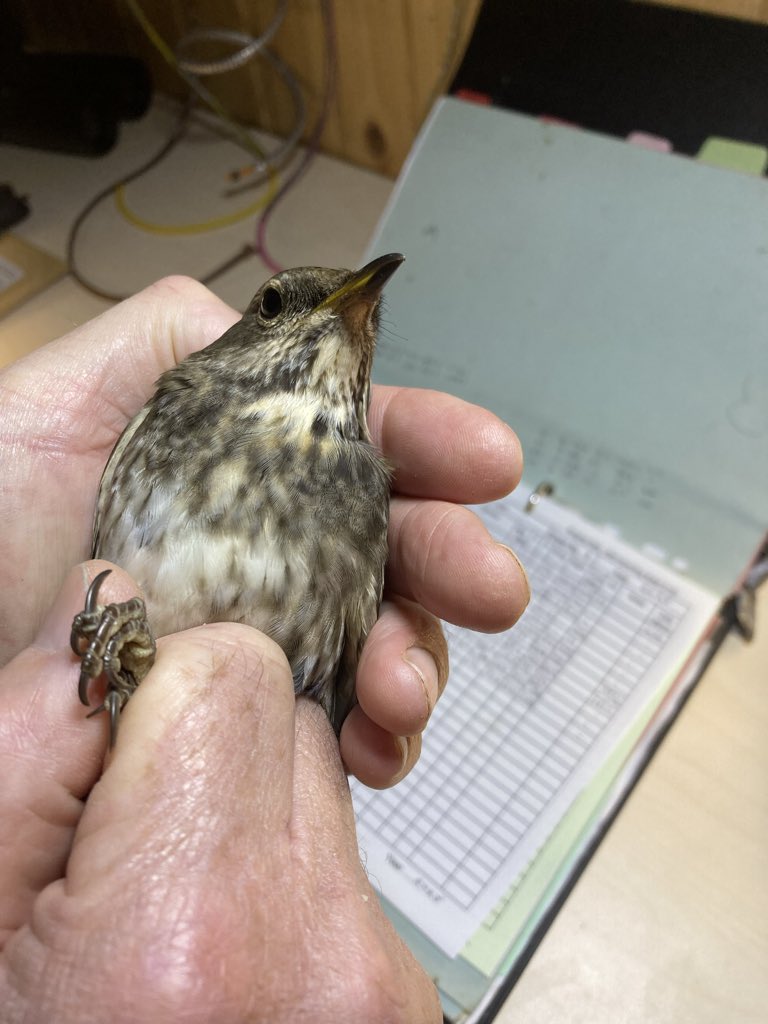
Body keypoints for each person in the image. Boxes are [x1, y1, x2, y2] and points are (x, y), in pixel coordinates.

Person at [0, 275, 528, 1023]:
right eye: (280, 304)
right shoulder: (171, 406)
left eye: (363, 330)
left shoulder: (356, 488)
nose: (336, 317)